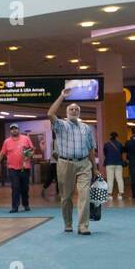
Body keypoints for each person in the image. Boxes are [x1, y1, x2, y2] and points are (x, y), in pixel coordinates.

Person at [46, 89, 99, 234]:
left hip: (84, 164)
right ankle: (68, 223)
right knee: (66, 196)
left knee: (84, 195)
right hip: (65, 163)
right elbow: (50, 114)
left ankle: (83, 226)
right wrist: (62, 96)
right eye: (71, 109)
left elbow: (90, 149)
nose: (74, 110)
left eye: (76, 109)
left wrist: (94, 168)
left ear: (79, 112)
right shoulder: (61, 125)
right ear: (67, 111)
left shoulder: (86, 128)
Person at [0, 123, 34, 213]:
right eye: (12, 129)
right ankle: (15, 207)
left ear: (18, 129)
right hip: (12, 168)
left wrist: (29, 155)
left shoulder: (25, 139)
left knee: (24, 187)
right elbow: (1, 154)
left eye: (16, 129)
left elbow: (32, 150)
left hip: (25, 167)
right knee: (15, 187)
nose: (14, 130)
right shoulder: (7, 142)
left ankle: (26, 204)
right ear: (10, 131)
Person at [102, 132, 125, 198]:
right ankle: (120, 194)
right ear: (116, 137)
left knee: (110, 179)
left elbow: (105, 153)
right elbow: (121, 153)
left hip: (109, 163)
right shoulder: (120, 144)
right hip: (118, 163)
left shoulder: (106, 144)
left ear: (110, 137)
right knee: (119, 178)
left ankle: (110, 195)